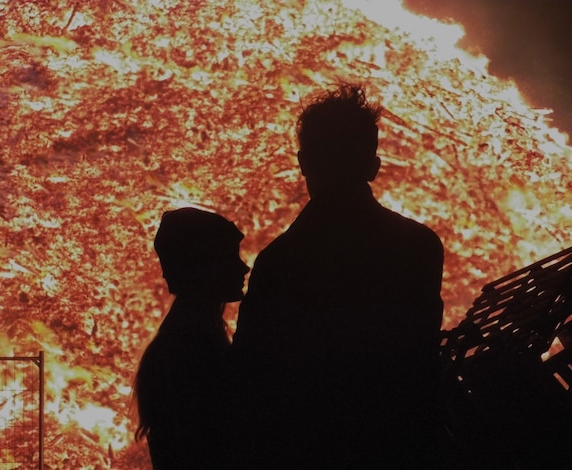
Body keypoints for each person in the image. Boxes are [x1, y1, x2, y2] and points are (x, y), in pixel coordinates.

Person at [233, 82, 445, 468]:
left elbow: (253, 385)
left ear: (304, 163)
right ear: (373, 166)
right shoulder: (419, 247)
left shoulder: (279, 263)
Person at [133, 207, 249, 469]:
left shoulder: (181, 340)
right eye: (229, 256)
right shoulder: (191, 348)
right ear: (203, 265)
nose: (243, 266)